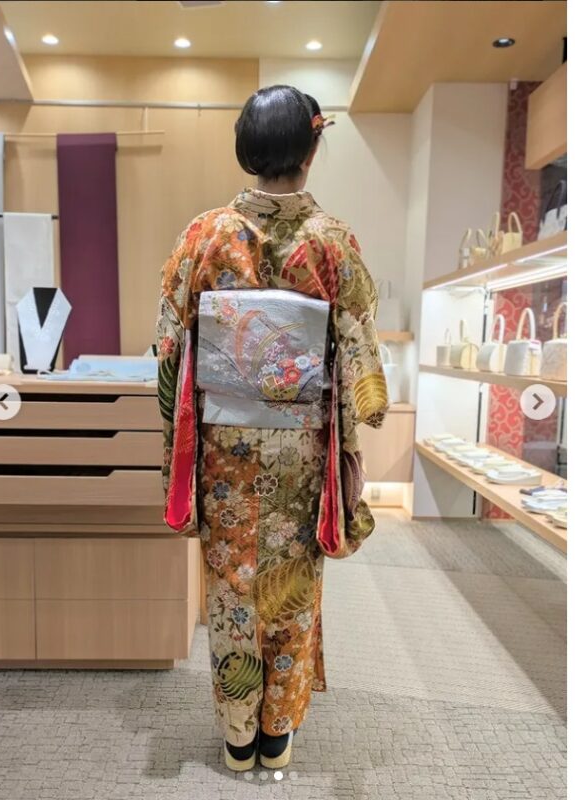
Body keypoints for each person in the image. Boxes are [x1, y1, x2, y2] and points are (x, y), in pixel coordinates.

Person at [155, 85, 388, 772]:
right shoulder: (332, 241)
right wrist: (359, 413)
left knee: (232, 592)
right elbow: (359, 346)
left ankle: (237, 737)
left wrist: (176, 433)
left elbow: (168, 345)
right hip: (299, 455)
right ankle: (276, 735)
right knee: (291, 586)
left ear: (246, 150)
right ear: (311, 150)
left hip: (225, 453)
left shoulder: (204, 235)